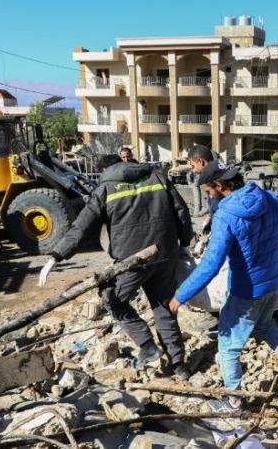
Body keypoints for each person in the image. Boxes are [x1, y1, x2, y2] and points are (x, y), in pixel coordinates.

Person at [168, 162, 278, 412]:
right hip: (274, 281)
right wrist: (264, 244)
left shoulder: (225, 215)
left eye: (208, 191)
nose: (208, 195)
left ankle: (233, 400)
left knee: (228, 344)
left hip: (246, 289)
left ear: (219, 185)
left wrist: (180, 295)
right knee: (264, 326)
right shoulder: (268, 197)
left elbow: (210, 265)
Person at [39, 154, 193, 379]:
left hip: (133, 262)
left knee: (112, 300)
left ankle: (147, 346)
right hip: (165, 254)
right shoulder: (157, 178)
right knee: (163, 307)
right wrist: (185, 243)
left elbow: (81, 227)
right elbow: (182, 212)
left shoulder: (106, 189)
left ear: (106, 170)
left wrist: (54, 257)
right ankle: (179, 366)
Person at [187, 145, 225, 231]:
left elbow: (223, 216)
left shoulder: (215, 180)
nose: (194, 170)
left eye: (193, 166)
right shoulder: (219, 173)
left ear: (201, 161)